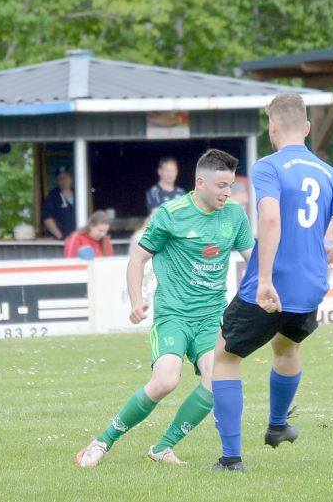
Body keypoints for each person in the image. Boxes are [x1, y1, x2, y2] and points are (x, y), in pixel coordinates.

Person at [210, 93, 333, 473]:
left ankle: (230, 459)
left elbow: (269, 219)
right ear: (307, 128)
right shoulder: (329, 174)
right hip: (310, 288)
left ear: (271, 127)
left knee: (225, 358)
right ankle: (277, 425)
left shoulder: (268, 167)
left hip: (271, 287)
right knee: (286, 347)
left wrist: (265, 279)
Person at [75, 149, 254, 468]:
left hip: (213, 316)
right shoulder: (171, 214)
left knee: (216, 380)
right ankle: (102, 441)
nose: (229, 193)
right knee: (165, 381)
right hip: (174, 315)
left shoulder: (235, 216)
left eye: (231, 186)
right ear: (201, 182)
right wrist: (135, 300)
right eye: (223, 186)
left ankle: (163, 446)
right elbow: (138, 258)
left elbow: (254, 262)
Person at [42, 168, 75, 240]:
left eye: (66, 177)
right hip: (60, 241)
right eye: (60, 178)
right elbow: (47, 219)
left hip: (77, 239)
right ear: (57, 181)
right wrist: (61, 237)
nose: (64, 180)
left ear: (71, 179)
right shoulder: (52, 196)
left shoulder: (79, 194)